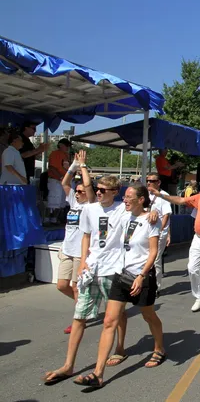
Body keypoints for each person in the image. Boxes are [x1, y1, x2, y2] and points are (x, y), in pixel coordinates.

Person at [74, 185, 165, 389]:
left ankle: (159, 348)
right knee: (109, 321)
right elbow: (99, 201)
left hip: (142, 276)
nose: (124, 200)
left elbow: (153, 253)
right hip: (121, 275)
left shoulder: (151, 220)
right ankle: (98, 374)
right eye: (124, 197)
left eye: (129, 197)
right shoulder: (123, 215)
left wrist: (141, 276)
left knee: (148, 315)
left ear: (141, 200)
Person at [43, 176, 129, 385]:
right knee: (79, 317)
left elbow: (142, 211)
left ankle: (109, 360)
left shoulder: (122, 209)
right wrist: (83, 262)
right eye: (97, 189)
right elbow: (86, 236)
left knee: (113, 317)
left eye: (103, 190)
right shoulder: (89, 209)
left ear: (114, 191)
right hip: (91, 269)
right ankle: (68, 365)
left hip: (113, 269)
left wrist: (152, 212)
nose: (98, 193)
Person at [149, 173, 200, 313]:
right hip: (198, 238)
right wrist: (161, 195)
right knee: (192, 268)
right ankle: (199, 297)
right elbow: (180, 200)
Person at [58, 151, 95, 334]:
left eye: (81, 192)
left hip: (80, 252)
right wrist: (73, 166)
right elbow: (64, 183)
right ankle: (83, 304)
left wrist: (83, 166)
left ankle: (79, 318)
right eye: (77, 191)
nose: (78, 193)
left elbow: (88, 186)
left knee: (75, 287)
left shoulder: (91, 206)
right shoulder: (73, 201)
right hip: (67, 249)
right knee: (62, 285)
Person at [146, 172, 172, 295]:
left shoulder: (164, 196)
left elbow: (166, 215)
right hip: (145, 231)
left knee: (155, 259)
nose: (149, 183)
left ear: (158, 183)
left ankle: (156, 286)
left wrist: (161, 231)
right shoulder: (144, 195)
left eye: (152, 181)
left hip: (158, 233)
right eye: (148, 180)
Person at [46, 139, 72, 223]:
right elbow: (52, 167)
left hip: (64, 181)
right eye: (66, 145)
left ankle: (55, 219)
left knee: (61, 201)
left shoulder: (66, 155)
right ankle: (47, 219)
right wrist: (60, 177)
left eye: (69, 146)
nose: (68, 147)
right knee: (53, 201)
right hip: (55, 180)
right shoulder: (55, 154)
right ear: (61, 145)